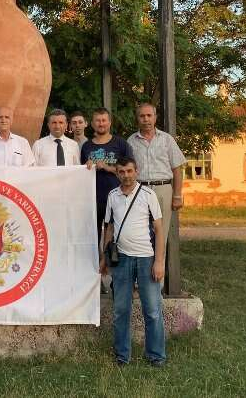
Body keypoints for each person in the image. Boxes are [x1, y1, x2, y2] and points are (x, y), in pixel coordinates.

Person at [100, 156, 166, 367]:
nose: (126, 175)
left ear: (136, 171)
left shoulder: (148, 195)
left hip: (146, 258)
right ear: (117, 173)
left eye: (129, 171)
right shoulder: (113, 196)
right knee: (121, 310)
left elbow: (159, 230)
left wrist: (159, 262)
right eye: (121, 171)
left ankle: (156, 355)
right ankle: (122, 355)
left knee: (152, 310)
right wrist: (104, 258)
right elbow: (109, 228)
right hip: (121, 260)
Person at [127, 103, 186, 245]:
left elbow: (177, 169)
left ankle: (160, 260)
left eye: (149, 115)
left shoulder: (166, 139)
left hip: (163, 189)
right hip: (139, 190)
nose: (146, 119)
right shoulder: (131, 141)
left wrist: (177, 195)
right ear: (137, 118)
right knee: (140, 233)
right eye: (142, 116)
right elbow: (127, 170)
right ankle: (144, 260)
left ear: (155, 117)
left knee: (161, 234)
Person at [81, 107, 133, 240]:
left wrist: (107, 167)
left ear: (109, 123)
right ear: (92, 124)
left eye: (104, 120)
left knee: (115, 236)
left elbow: (130, 171)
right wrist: (86, 167)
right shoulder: (86, 146)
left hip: (117, 197)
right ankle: (97, 255)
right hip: (93, 200)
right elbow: (80, 175)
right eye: (97, 120)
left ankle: (110, 255)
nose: (101, 123)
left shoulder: (121, 144)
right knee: (93, 237)